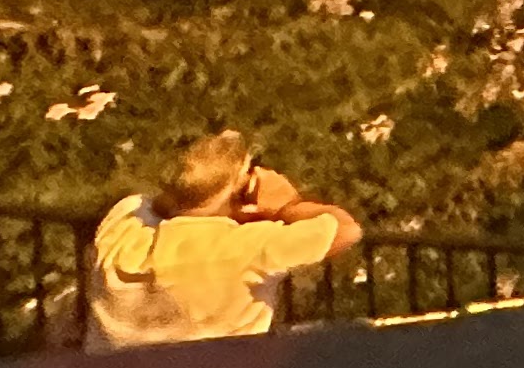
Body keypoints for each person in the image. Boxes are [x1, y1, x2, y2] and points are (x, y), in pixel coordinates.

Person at [84, 131, 364, 349]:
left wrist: (199, 189)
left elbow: (155, 204)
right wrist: (286, 206)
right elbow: (346, 229)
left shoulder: (120, 230)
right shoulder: (249, 248)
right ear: (243, 195)